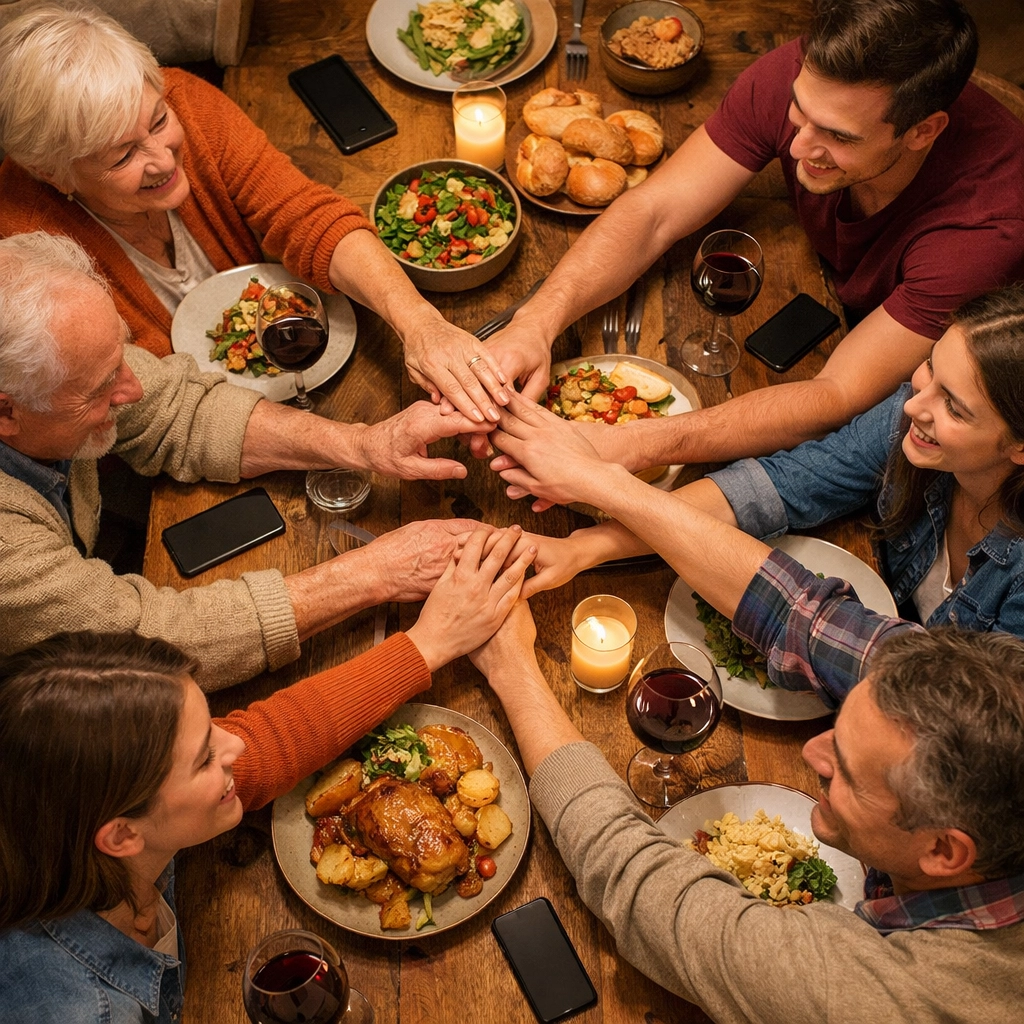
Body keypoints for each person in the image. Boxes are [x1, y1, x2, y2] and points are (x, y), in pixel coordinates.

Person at [0, 525, 535, 1024]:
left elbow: (271, 737)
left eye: (212, 725)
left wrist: (429, 643)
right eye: (206, 757)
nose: (236, 742)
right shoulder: (81, 1008)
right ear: (120, 835)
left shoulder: (73, 815)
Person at [482, 0, 1024, 467]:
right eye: (800, 112)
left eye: (836, 136)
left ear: (923, 130)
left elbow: (836, 394)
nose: (794, 147)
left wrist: (635, 443)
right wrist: (535, 322)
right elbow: (653, 210)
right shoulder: (812, 78)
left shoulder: (985, 230)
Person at [469, 604, 1024, 1024]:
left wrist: (511, 666)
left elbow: (634, 879)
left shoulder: (879, 996)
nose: (813, 754)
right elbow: (812, 612)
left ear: (944, 851)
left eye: (847, 771)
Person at [0, 230, 500, 689]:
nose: (131, 388)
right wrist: (375, 572)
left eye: (123, 359)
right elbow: (138, 641)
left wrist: (366, 443)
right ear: (7, 412)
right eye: (103, 386)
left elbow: (177, 409)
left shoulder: (58, 367)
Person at [489, 286, 1024, 703]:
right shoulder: (915, 420)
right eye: (929, 367)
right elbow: (780, 485)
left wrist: (602, 481)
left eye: (954, 407)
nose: (913, 405)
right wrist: (587, 548)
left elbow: (856, 648)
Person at [0, 5, 508, 424]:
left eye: (159, 120)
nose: (163, 157)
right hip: (189, 429)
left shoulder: (190, 104)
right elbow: (150, 405)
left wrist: (420, 324)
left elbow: (306, 215)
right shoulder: (20, 242)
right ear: (53, 174)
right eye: (123, 156)